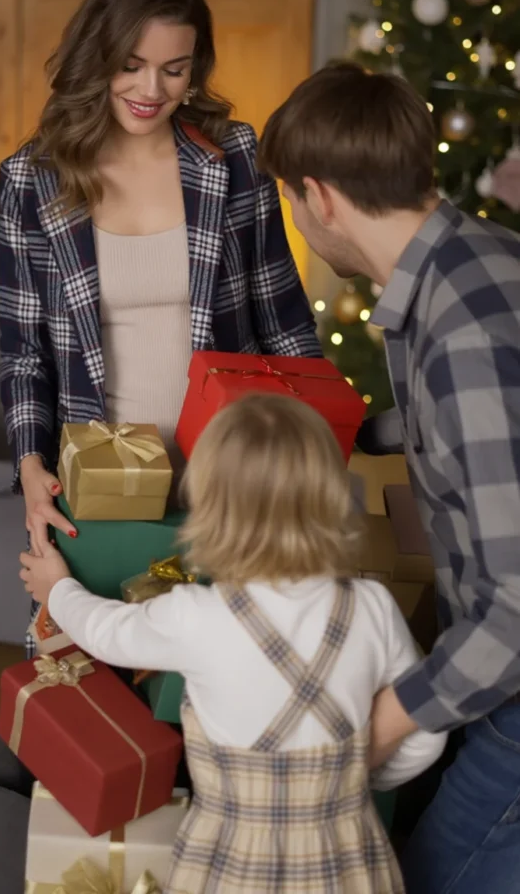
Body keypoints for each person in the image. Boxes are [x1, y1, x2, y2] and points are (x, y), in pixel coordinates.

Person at [0, 0, 321, 654]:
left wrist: (316, 449)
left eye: (175, 69)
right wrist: (29, 466)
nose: (152, 89)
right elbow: (24, 353)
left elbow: (285, 321)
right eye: (132, 65)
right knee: (94, 687)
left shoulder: (233, 158)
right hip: (100, 484)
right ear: (97, 56)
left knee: (223, 674)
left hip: (231, 478)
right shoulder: (29, 179)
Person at [257, 60, 520, 894]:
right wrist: (349, 432)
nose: (298, 224)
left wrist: (385, 720)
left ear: (321, 196)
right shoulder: (477, 263)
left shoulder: (462, 338)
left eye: (292, 205)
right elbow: (473, 425)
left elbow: (518, 611)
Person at [19, 393, 444, 894]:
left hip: (234, 865)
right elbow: (427, 726)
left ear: (211, 507)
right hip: (349, 863)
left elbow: (106, 631)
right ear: (331, 497)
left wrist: (58, 588)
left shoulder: (198, 615)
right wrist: (360, 783)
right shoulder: (371, 606)